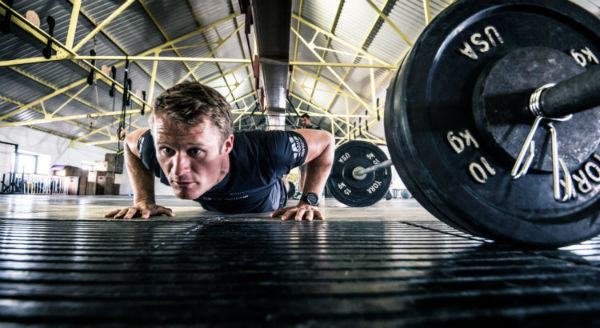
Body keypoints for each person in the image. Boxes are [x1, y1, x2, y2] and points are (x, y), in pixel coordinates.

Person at [105, 81, 334, 221]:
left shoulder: (271, 151)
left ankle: (285, 183)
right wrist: (144, 200)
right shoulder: (153, 151)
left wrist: (308, 201)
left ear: (227, 145)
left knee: (282, 183)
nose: (177, 169)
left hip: (268, 198)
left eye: (195, 152)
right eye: (167, 150)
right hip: (216, 201)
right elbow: (129, 142)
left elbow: (325, 141)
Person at [298, 113, 320, 193]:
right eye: (302, 121)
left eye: (304, 120)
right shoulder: (301, 130)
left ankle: (314, 191)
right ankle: (301, 192)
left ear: (309, 119)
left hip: (314, 153)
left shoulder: (317, 129)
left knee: (314, 173)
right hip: (304, 154)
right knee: (303, 173)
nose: (303, 122)